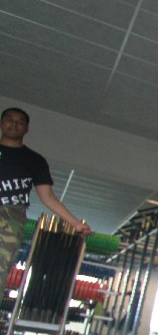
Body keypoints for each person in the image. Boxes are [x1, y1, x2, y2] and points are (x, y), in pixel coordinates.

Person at [0, 107, 92, 289]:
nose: (14, 124)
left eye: (20, 122)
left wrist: (76, 223)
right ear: (2, 123)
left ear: (26, 129)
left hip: (10, 221)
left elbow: (48, 196)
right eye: (10, 119)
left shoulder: (34, 160)